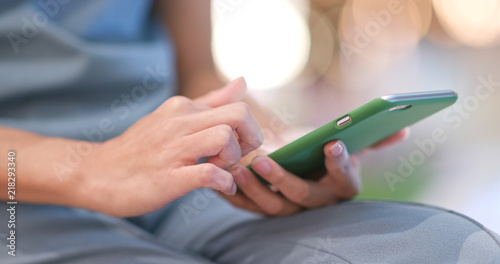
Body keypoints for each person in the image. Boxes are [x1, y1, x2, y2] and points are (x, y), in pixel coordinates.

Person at [0, 1, 499, 263]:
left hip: (186, 173)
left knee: (448, 250)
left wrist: (271, 148)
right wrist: (93, 168)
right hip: (21, 196)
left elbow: (196, 71)